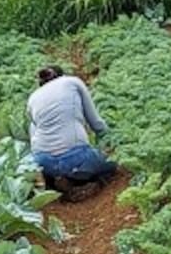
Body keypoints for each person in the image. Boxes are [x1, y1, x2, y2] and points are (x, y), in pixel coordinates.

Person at [27, 64, 118, 200]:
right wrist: (111, 143)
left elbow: (33, 133)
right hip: (77, 159)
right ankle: (83, 184)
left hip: (43, 162)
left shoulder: (32, 98)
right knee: (111, 164)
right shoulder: (72, 82)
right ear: (62, 75)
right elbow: (96, 123)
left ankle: (55, 185)